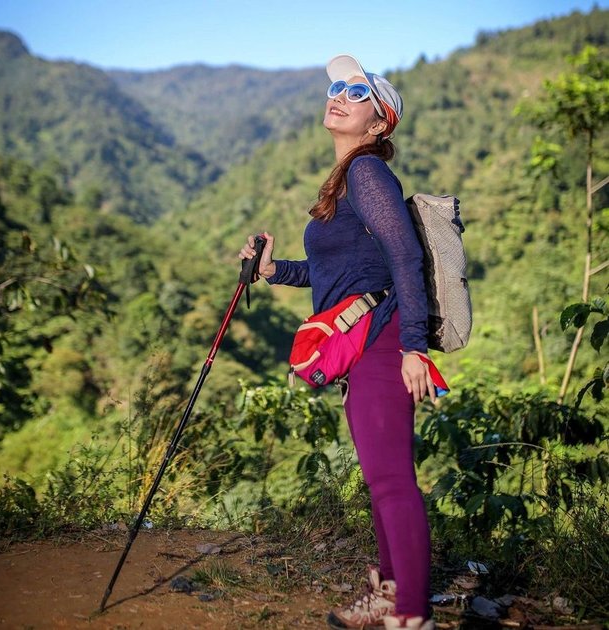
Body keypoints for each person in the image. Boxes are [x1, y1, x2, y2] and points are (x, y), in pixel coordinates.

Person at [239, 54, 435, 630]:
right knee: (381, 477)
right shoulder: (347, 180)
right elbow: (345, 274)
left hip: (384, 339)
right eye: (336, 87)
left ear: (379, 124)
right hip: (364, 339)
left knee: (393, 479)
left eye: (356, 92)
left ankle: (411, 615)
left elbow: (405, 257)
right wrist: (275, 271)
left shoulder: (367, 173)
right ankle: (391, 591)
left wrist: (414, 346)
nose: (339, 95)